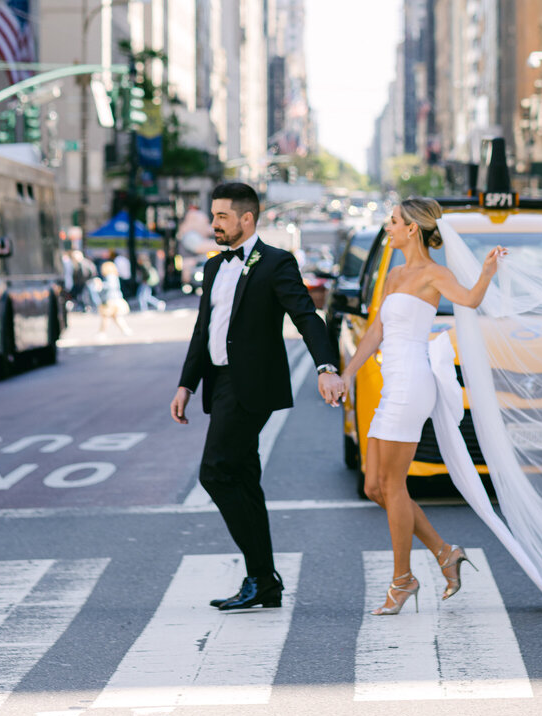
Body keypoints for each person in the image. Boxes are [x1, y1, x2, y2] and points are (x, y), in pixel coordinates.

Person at [170, 181, 344, 612]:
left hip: (252, 386)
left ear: (247, 219)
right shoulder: (213, 267)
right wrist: (186, 384)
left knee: (214, 472)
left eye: (222, 216)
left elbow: (306, 316)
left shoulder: (276, 263)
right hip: (220, 385)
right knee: (244, 479)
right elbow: (202, 332)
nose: (214, 224)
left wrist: (326, 367)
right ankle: (263, 582)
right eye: (213, 216)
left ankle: (262, 574)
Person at [339, 198, 505, 616]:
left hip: (413, 382)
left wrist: (486, 274)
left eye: (393, 222)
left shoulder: (435, 274)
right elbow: (376, 329)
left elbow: (468, 301)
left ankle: (402, 581)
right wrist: (347, 374)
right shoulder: (394, 274)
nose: (387, 227)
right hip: (391, 383)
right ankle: (445, 553)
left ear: (412, 229)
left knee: (393, 486)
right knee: (374, 487)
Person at [97, 259, 133, 337]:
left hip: (111, 299)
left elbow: (110, 286)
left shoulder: (110, 276)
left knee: (106, 316)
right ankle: (125, 330)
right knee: (115, 316)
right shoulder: (114, 275)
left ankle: (102, 333)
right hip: (115, 298)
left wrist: (102, 285)